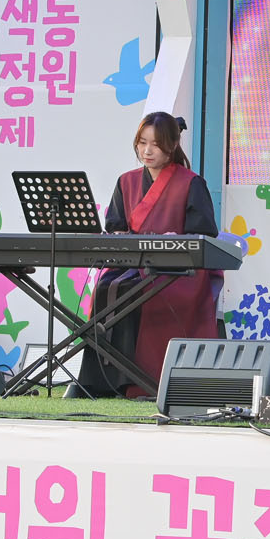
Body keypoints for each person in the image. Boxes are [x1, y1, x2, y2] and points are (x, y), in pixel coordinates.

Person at [75, 112, 222, 398]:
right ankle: (101, 381)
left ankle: (136, 380)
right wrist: (120, 236)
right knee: (106, 287)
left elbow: (203, 235)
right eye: (142, 143)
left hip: (177, 271)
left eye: (156, 144)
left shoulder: (191, 183)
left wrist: (176, 239)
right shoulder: (126, 181)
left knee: (136, 291)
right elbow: (115, 226)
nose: (147, 151)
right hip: (133, 264)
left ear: (172, 145)